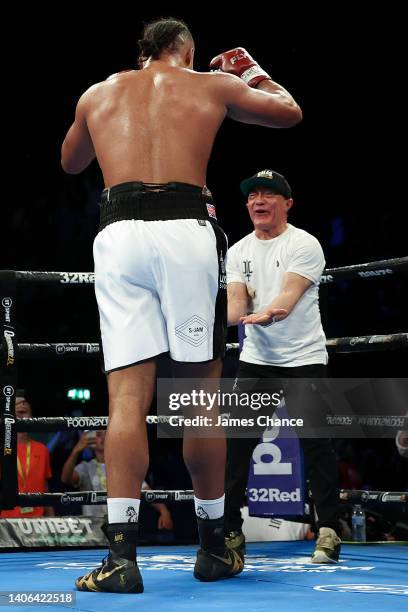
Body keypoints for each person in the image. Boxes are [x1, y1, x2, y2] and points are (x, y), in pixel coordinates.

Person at [61, 17, 302, 593]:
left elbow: (70, 163)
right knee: (200, 396)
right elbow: (289, 111)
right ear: (186, 51)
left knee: (126, 397)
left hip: (117, 234)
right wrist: (251, 72)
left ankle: (120, 558)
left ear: (141, 53)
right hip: (187, 230)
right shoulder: (208, 84)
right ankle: (215, 546)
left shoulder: (97, 93)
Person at [224, 169, 342, 564]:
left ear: (287, 204)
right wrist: (191, 319)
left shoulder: (304, 244)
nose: (259, 200)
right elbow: (236, 309)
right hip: (257, 360)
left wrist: (268, 315)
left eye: (269, 194)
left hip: (304, 358)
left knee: (317, 443)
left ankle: (328, 530)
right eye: (253, 194)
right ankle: (228, 532)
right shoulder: (237, 250)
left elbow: (288, 298)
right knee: (236, 443)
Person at [61, 430, 174, 532]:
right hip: (93, 531)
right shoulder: (85, 467)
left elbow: (145, 490)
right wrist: (75, 451)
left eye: (107, 434)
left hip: (119, 528)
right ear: (91, 441)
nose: (104, 438)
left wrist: (164, 511)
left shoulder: (124, 466)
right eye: (99, 435)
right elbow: (65, 478)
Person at [0, 391, 54, 519]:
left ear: (31, 416)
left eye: (25, 410)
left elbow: (45, 486)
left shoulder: (42, 449)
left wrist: (51, 515)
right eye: (17, 410)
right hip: (7, 520)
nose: (21, 412)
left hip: (37, 519)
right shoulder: (2, 450)